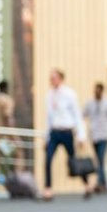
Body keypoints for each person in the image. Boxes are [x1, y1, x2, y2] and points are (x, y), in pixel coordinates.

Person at [41, 69, 83, 200]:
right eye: (51, 78)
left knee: (73, 159)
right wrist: (46, 137)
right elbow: (48, 118)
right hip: (54, 132)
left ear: (60, 79)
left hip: (67, 131)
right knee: (48, 159)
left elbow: (77, 115)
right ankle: (48, 188)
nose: (52, 81)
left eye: (54, 78)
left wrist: (81, 135)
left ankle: (86, 183)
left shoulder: (69, 94)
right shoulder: (49, 95)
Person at [84, 83, 107, 196]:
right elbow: (83, 114)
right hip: (94, 136)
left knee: (100, 159)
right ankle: (104, 183)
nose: (96, 93)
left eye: (98, 91)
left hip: (104, 135)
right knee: (98, 160)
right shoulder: (90, 103)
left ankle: (99, 183)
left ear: (102, 91)